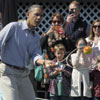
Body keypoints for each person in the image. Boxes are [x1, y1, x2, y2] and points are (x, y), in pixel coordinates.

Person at [0, 4, 56, 100]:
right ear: (28, 14)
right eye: (36, 14)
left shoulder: (36, 37)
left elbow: (36, 55)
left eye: (41, 16)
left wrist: (44, 62)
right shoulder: (13, 27)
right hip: (7, 72)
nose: (39, 18)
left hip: (23, 74)